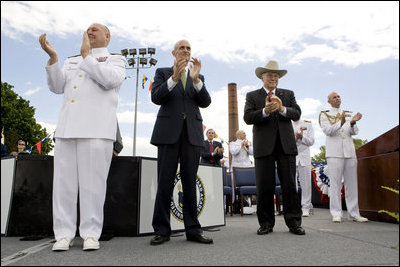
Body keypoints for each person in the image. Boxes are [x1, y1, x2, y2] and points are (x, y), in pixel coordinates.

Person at [39, 23, 126, 251]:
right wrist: (54, 58)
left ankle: (90, 233)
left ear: (107, 36)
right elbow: (57, 86)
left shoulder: (116, 59)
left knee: (93, 187)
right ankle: (63, 234)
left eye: (95, 29)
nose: (90, 32)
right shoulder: (71, 60)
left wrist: (87, 56)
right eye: (87, 29)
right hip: (67, 129)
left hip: (97, 130)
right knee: (63, 186)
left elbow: (109, 80)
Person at [150, 39, 213, 245]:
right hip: (168, 134)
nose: (185, 51)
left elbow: (205, 102)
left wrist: (195, 80)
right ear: (173, 53)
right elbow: (156, 97)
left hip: (192, 136)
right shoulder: (162, 72)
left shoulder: (198, 76)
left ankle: (193, 230)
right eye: (181, 48)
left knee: (189, 183)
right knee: (165, 183)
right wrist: (175, 78)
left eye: (188, 48)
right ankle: (161, 230)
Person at [243, 60, 305, 236]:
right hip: (264, 147)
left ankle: (294, 223)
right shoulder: (252, 96)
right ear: (262, 77)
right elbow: (248, 118)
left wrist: (282, 108)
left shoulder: (288, 94)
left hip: (286, 146)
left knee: (289, 185)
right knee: (264, 186)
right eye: (270, 75)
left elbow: (297, 113)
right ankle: (266, 223)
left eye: (276, 75)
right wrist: (265, 111)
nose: (273, 78)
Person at [319, 92, 368, 223]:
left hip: (349, 152)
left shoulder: (348, 114)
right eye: (334, 97)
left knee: (352, 183)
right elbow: (328, 131)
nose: (337, 98)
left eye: (338, 96)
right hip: (334, 152)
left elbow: (355, 132)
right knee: (334, 184)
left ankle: (354, 213)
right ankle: (336, 213)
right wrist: (340, 123)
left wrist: (352, 123)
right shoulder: (324, 114)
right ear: (329, 101)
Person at [292, 119, 315, 217]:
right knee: (292, 184)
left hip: (304, 156)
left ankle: (305, 207)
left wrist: (302, 137)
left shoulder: (308, 124)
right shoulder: (287, 124)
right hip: (292, 155)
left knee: (306, 183)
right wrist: (295, 138)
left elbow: (311, 141)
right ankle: (293, 207)